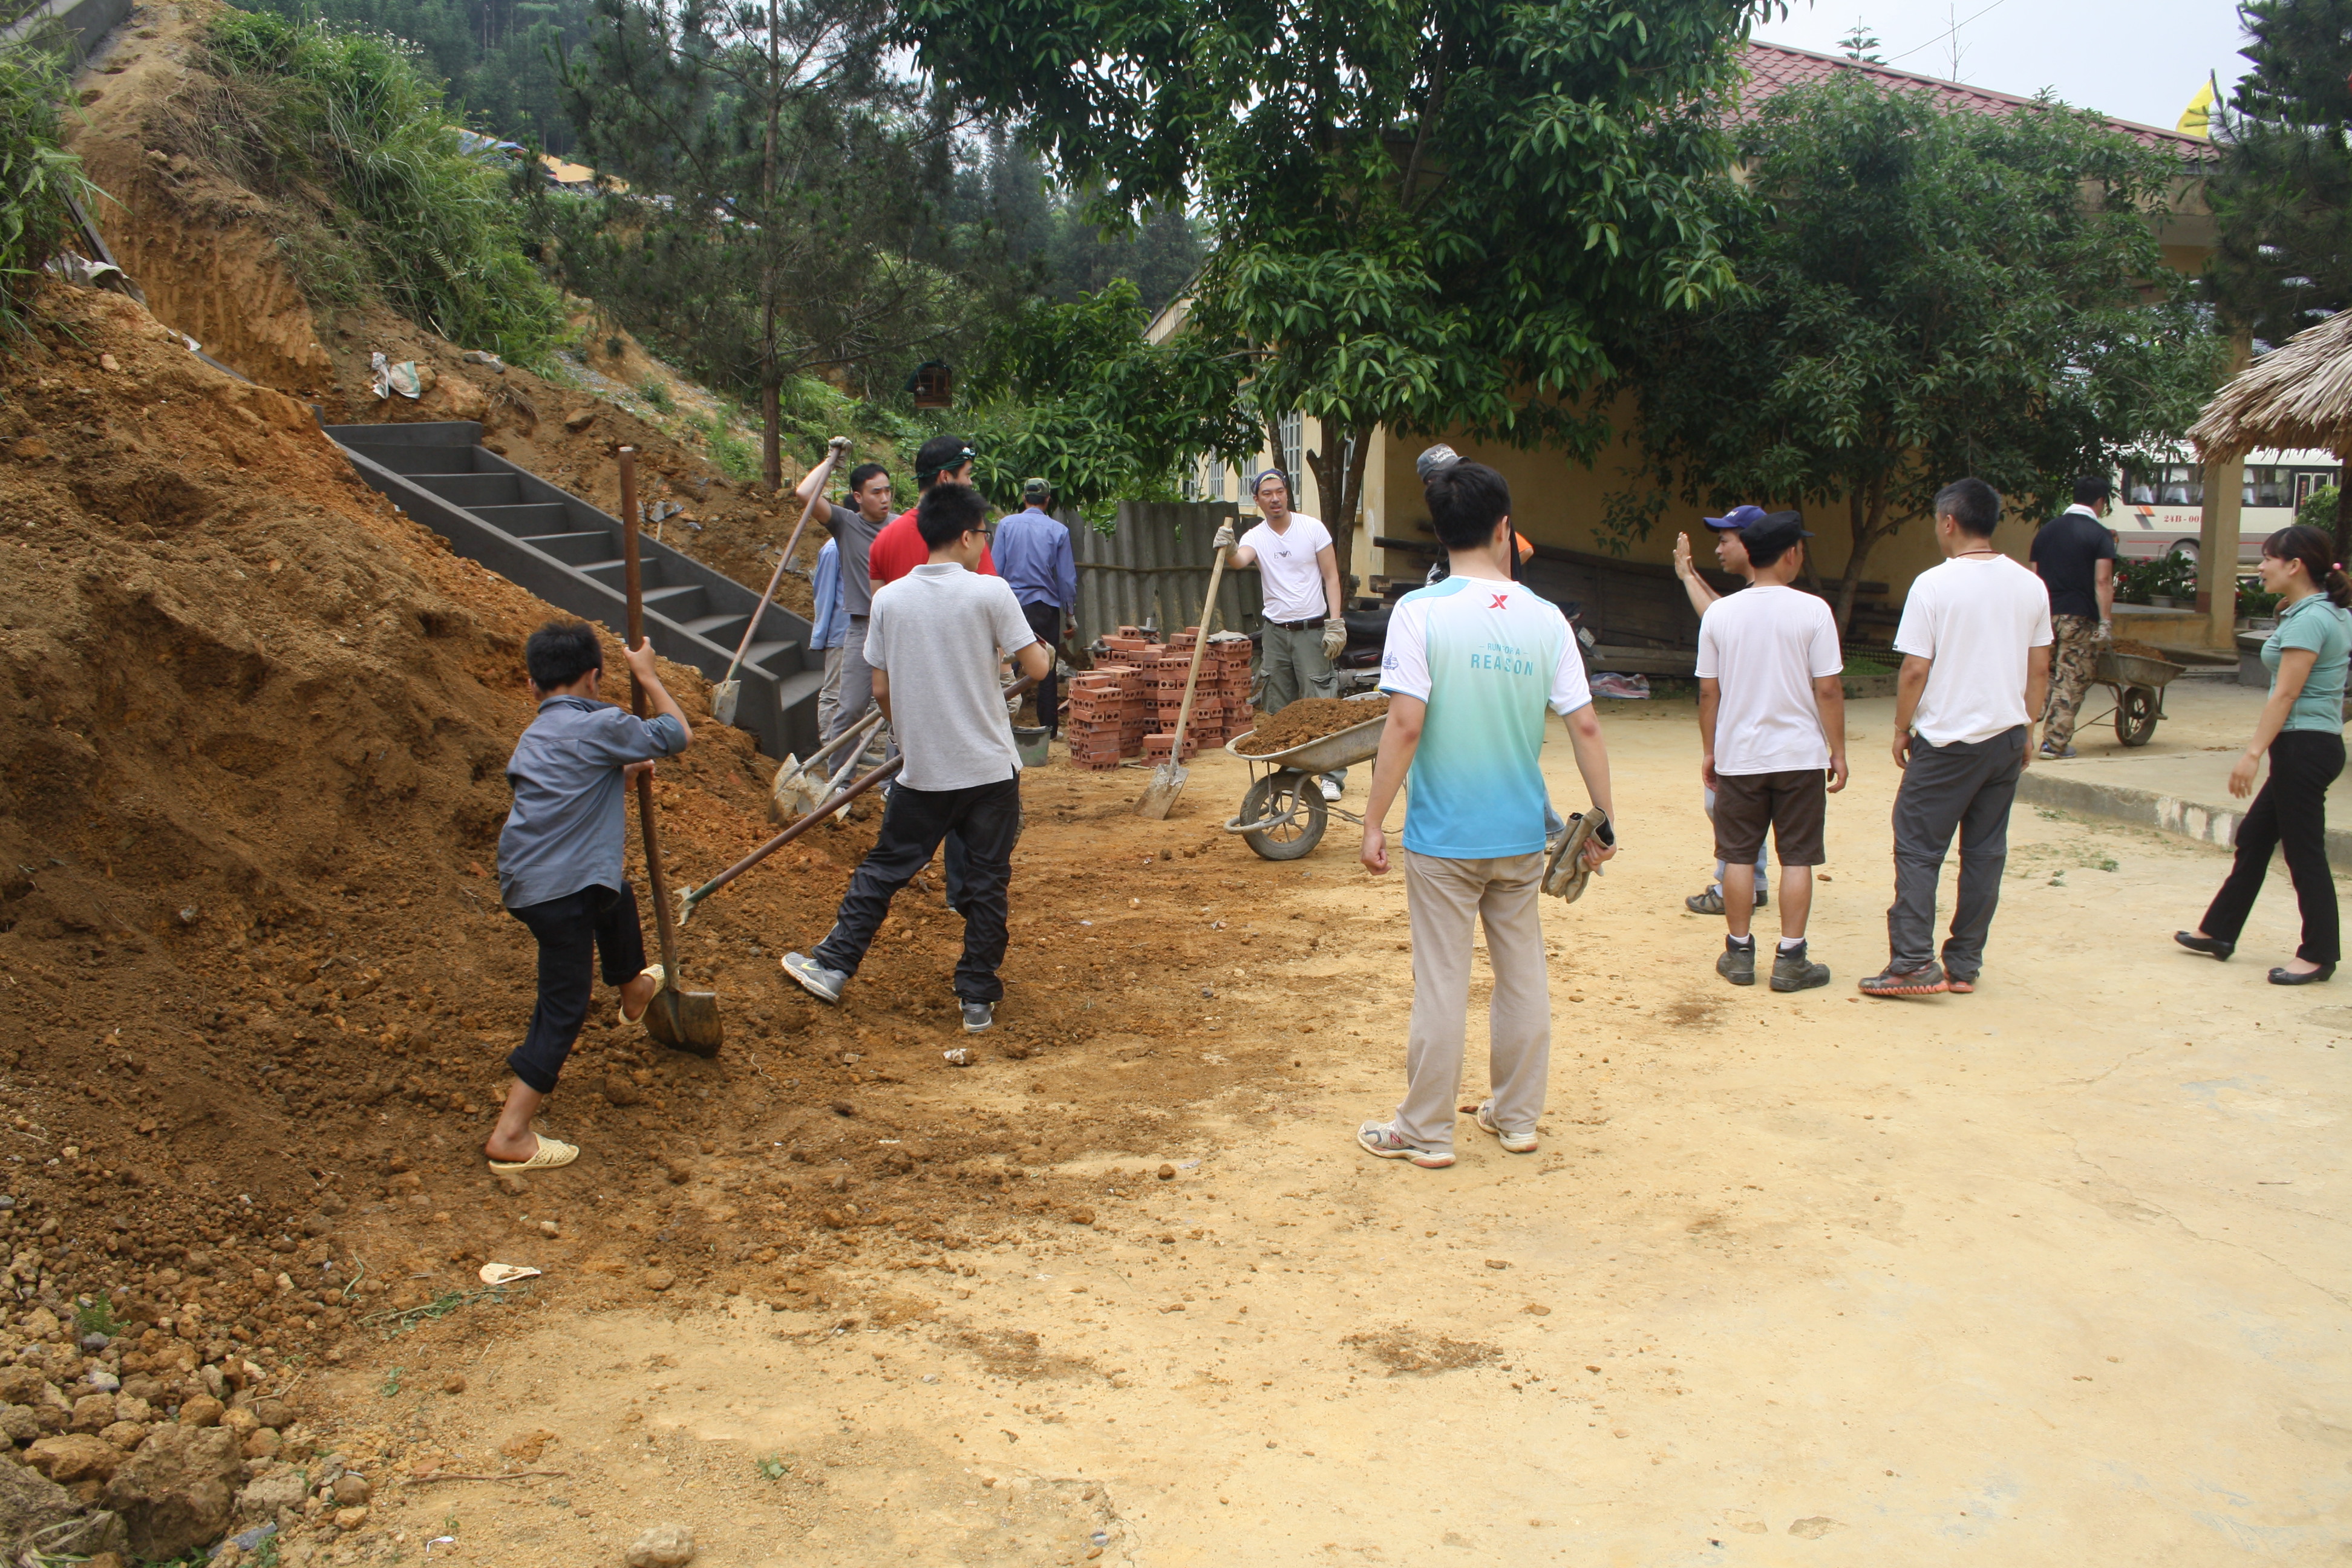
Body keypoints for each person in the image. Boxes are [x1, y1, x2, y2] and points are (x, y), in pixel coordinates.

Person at [1354, 460, 1616, 1169]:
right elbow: (1585, 725)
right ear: (1505, 529)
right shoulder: (1547, 619)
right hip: (1519, 834)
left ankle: (1426, 1130)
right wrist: (1603, 821)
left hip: (1443, 837)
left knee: (1443, 983)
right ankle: (1517, 1117)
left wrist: (1374, 820)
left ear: (1440, 535)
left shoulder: (1420, 612)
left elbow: (1405, 723)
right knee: (1522, 974)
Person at [781, 483, 1054, 1033]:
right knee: (987, 881)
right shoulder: (991, 592)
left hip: (924, 771)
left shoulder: (890, 600)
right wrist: (1030, 653)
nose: (984, 543)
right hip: (990, 771)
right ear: (966, 536)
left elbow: (881, 689)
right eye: (983, 534)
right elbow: (1038, 669)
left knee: (885, 869)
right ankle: (977, 998)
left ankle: (833, 967)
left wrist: (908, 733)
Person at [488, 619, 693, 1171]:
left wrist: (617, 775)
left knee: (613, 894)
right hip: (561, 889)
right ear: (594, 678)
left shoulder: (536, 736)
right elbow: (677, 734)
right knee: (564, 1005)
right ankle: (511, 1135)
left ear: (532, 685)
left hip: (527, 881)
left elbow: (563, 790)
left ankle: (634, 989)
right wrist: (647, 676)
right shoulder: (601, 723)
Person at [1861, 478, 2051, 998]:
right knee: (1985, 853)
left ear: (1948, 522)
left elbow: (1915, 669)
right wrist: (2028, 726)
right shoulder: (2030, 586)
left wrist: (1901, 728)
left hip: (1948, 740)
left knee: (1918, 847)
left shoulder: (1934, 584)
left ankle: (1912, 961)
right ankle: (1964, 964)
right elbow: (2039, 668)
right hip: (2006, 736)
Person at [2175, 524, 2351, 984]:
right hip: (2309, 744)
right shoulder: (2317, 611)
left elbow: (2286, 694)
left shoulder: (2312, 619)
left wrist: (2253, 753)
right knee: (2255, 837)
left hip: (2303, 745)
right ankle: (2219, 932)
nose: (2262, 566)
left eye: (2269, 557)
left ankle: (2319, 954)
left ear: (2295, 565)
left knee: (2304, 852)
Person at [1694, 511, 1847, 991]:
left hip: (1740, 755)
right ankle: (1791, 958)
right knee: (1797, 857)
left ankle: (1739, 953)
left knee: (1739, 855)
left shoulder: (1720, 614)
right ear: (1791, 554)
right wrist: (1838, 751)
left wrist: (1710, 750)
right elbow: (1828, 689)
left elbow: (1709, 692)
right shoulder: (1814, 611)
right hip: (1800, 756)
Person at [1215, 470, 1348, 800]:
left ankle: (1331, 776)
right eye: (1267, 494)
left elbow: (1331, 577)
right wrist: (1229, 547)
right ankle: (1289, 773)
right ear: (1257, 500)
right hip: (1275, 633)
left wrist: (1335, 622)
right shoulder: (1256, 537)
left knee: (1321, 703)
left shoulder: (1312, 529)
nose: (1275, 499)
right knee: (1279, 707)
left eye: (1279, 491)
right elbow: (1239, 561)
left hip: (1312, 631)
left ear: (1287, 493)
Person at [1671, 506, 1774, 916]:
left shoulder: (1756, 599)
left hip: (1746, 724)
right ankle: (1755, 881)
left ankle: (1733, 886)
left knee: (1729, 807)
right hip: (1767, 725)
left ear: (1749, 544)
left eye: (1725, 540)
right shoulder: (1761, 595)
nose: (1719, 548)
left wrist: (1686, 576)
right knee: (1741, 807)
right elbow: (1722, 612)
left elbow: (1717, 619)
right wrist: (1690, 574)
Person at [805, 440, 888, 745]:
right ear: (858, 497)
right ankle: (839, 767)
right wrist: (830, 462)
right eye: (876, 492)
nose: (885, 498)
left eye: (887, 491)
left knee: (897, 703)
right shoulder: (846, 525)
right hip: (861, 626)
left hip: (897, 623)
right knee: (850, 706)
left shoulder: (900, 527)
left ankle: (891, 771)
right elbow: (805, 495)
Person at [2030, 474, 2118, 759]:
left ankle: (2018, 739)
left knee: (2041, 675)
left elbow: (2034, 579)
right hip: (2079, 619)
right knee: (2071, 678)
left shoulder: (2046, 532)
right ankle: (2054, 744)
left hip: (2045, 616)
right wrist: (2105, 622)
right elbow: (2103, 581)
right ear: (2100, 501)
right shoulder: (2099, 535)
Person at [994, 477, 1077, 738]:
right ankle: (1049, 730)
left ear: (1024, 498)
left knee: (1006, 668)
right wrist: (1070, 616)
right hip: (1045, 608)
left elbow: (996, 570)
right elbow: (1066, 579)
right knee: (1047, 667)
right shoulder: (1059, 531)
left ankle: (999, 728)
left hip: (1012, 606)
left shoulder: (1006, 525)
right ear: (1048, 500)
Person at [868, 435, 996, 586]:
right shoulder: (968, 533)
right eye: (967, 474)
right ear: (945, 477)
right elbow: (991, 594)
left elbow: (878, 600)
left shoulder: (882, 541)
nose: (970, 483)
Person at [811, 534, 847, 739]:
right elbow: (824, 594)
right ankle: (830, 745)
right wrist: (820, 636)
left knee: (858, 695)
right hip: (841, 632)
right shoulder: (833, 549)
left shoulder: (863, 543)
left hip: (864, 631)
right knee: (834, 692)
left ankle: (853, 745)